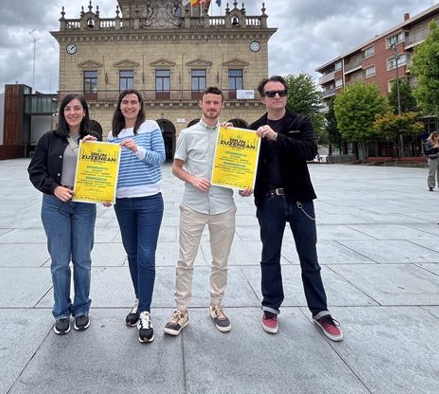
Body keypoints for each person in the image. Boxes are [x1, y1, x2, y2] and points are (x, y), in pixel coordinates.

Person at [248, 75, 343, 342]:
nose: (277, 97)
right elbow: (250, 165)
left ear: (286, 95)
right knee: (270, 256)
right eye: (271, 93)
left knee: (309, 258)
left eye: (281, 92)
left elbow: (309, 150)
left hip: (300, 200)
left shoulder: (300, 122)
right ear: (262, 98)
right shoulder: (255, 127)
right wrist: (246, 184)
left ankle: (321, 311)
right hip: (270, 201)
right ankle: (270, 307)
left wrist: (277, 137)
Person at [164, 87, 252, 336]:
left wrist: (246, 186)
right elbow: (176, 167)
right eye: (208, 102)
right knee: (185, 261)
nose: (212, 106)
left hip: (224, 206)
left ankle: (217, 306)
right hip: (193, 205)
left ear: (222, 106)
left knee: (220, 261)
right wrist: (192, 179)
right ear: (200, 104)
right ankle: (181, 311)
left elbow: (244, 168)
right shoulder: (188, 134)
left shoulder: (232, 136)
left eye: (216, 103)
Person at [28, 93, 98, 335]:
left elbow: (102, 172)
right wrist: (54, 188)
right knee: (59, 262)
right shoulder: (48, 139)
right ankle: (61, 311)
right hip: (55, 205)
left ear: (84, 112)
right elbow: (35, 171)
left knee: (82, 260)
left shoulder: (93, 140)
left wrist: (104, 192)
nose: (73, 112)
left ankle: (81, 309)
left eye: (77, 108)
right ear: (62, 113)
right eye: (68, 108)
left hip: (84, 206)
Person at [108, 89, 166, 343]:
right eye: (125, 102)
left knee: (145, 254)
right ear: (119, 106)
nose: (129, 106)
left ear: (141, 105)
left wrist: (137, 150)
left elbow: (160, 158)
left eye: (134, 102)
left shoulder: (151, 127)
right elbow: (109, 168)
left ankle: (145, 311)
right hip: (123, 201)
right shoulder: (113, 134)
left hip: (149, 200)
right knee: (131, 252)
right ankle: (139, 299)